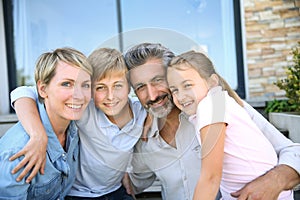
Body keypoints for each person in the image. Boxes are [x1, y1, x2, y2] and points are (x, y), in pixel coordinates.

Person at [124, 43, 300, 200]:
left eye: (158, 80)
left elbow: (292, 150)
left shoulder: (218, 108)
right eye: (140, 87)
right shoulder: (144, 135)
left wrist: (274, 181)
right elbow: (131, 183)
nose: (152, 95)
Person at [9, 47, 147, 199]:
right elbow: (22, 92)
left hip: (115, 189)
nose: (110, 96)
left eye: (118, 86)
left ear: (129, 87)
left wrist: (127, 169)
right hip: (77, 193)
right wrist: (38, 135)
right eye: (100, 87)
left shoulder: (141, 112)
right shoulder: (83, 109)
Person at [167, 50, 294, 199]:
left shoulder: (212, 105)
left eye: (187, 85)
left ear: (212, 82)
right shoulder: (217, 103)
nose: (180, 96)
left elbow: (211, 178)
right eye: (174, 90)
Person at [0, 47, 93, 199]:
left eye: (85, 85)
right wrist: (38, 135)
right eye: (66, 84)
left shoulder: (73, 128)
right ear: (43, 89)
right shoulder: (18, 152)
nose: (79, 95)